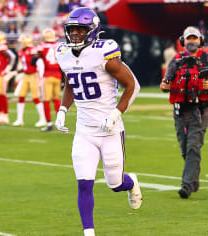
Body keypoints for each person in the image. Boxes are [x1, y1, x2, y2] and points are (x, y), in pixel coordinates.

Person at [54, 7, 141, 236]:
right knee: (84, 183)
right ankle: (89, 232)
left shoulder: (104, 53)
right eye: (72, 30)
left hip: (110, 130)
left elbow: (133, 86)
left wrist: (115, 114)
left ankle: (130, 182)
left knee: (115, 184)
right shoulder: (62, 52)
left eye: (80, 30)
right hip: (84, 130)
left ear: (92, 31)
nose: (74, 35)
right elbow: (71, 83)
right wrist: (63, 109)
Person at [159, 26, 208, 199]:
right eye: (189, 38)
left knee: (193, 146)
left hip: (201, 110)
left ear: (201, 40)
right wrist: (165, 86)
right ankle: (193, 180)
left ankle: (186, 185)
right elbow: (165, 84)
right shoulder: (176, 60)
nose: (192, 41)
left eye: (195, 38)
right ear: (183, 41)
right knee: (185, 149)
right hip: (180, 110)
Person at [12, 34, 47, 127]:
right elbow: (25, 66)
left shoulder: (32, 50)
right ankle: (19, 119)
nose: (20, 43)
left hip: (33, 76)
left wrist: (41, 76)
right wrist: (16, 72)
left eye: (21, 42)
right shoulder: (21, 51)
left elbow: (39, 63)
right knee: (21, 96)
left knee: (35, 97)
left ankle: (43, 119)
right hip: (26, 76)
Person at [34, 28, 62, 131]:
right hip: (58, 75)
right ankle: (60, 123)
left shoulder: (42, 46)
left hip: (48, 75)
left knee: (46, 100)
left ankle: (49, 124)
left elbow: (35, 58)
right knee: (56, 100)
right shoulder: (59, 44)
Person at [0, 30, 16, 124]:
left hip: (2, 74)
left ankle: (5, 115)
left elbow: (12, 56)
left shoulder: (2, 47)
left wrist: (8, 68)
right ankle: (0, 114)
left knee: (2, 94)